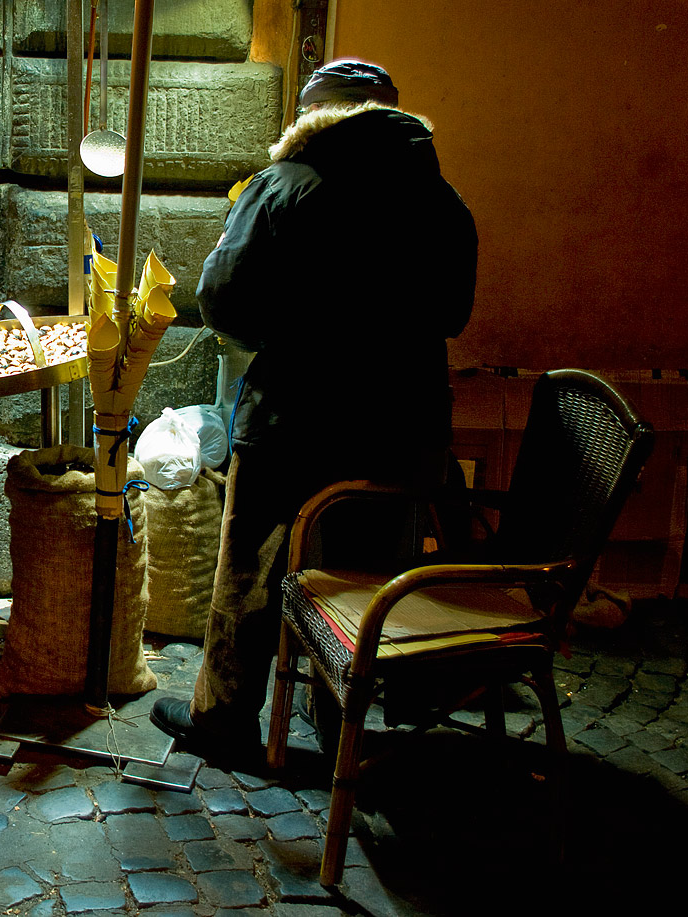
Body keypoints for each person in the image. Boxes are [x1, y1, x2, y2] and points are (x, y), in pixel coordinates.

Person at [148, 60, 479, 759]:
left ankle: (225, 719)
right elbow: (452, 312)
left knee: (251, 565)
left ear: (309, 118)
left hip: (291, 423)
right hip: (401, 431)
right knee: (366, 574)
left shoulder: (283, 186)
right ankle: (343, 726)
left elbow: (221, 300)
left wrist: (285, 332)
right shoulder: (441, 200)